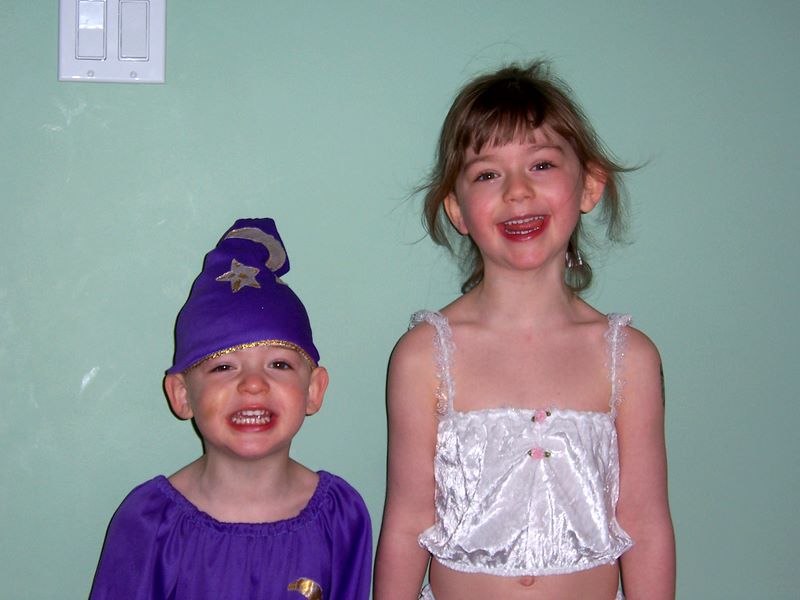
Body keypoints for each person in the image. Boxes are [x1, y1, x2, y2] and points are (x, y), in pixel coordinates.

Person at [374, 61, 675, 600]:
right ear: (457, 209)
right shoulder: (424, 357)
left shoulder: (627, 357)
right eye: (488, 174)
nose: (517, 191)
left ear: (589, 185)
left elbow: (646, 525)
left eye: (541, 165)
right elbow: (406, 522)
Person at [90, 218, 372, 600]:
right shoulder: (150, 524)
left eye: (279, 364)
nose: (253, 384)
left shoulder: (341, 517)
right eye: (223, 367)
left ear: (313, 389)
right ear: (182, 394)